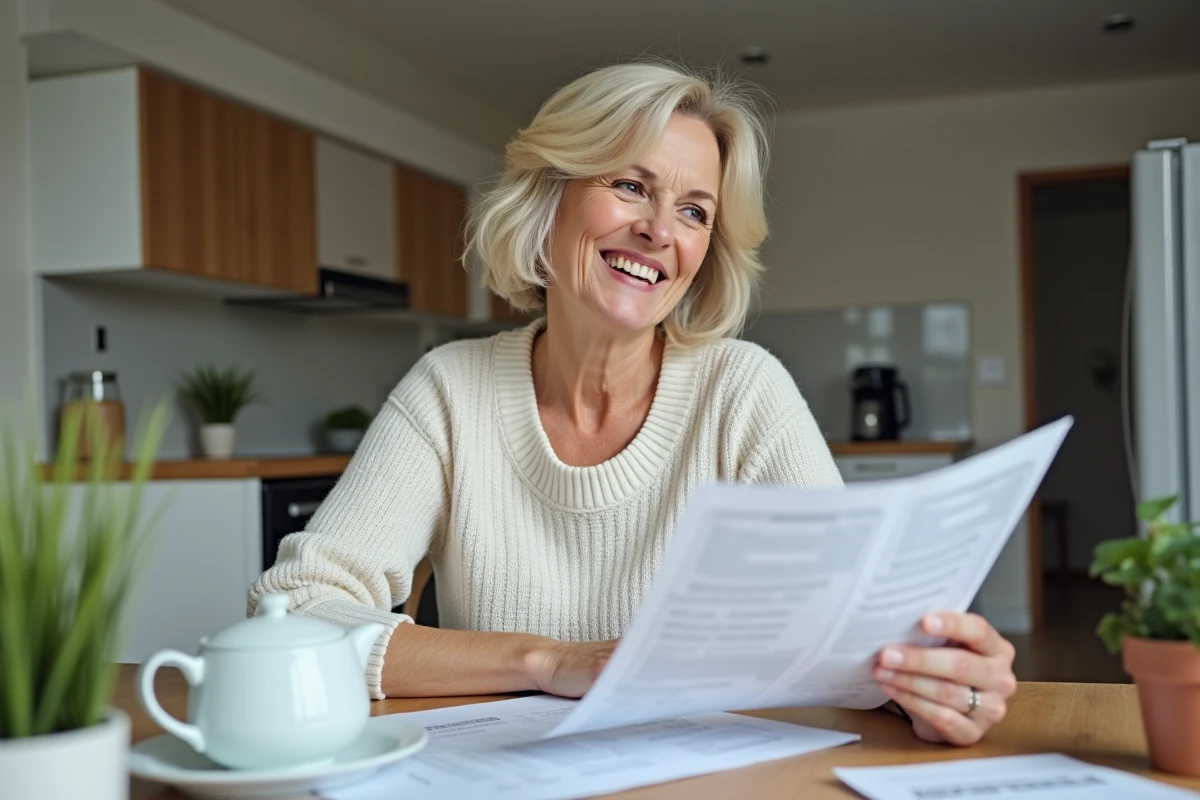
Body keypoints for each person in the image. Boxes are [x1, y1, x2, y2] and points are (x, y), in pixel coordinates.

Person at [249, 60, 1017, 746]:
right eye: (630, 186)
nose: (658, 231)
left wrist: (938, 686)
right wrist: (550, 662)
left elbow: (852, 633)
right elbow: (293, 612)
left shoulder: (742, 390)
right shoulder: (450, 390)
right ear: (551, 196)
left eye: (694, 211)